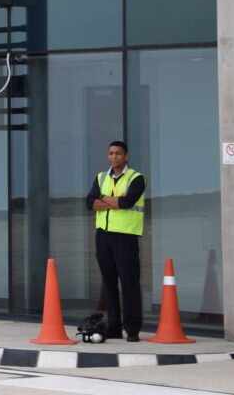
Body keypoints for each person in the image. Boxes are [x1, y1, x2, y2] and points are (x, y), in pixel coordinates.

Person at [86, 139, 146, 341]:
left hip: (125, 236)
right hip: (103, 236)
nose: (114, 157)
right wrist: (114, 202)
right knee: (109, 283)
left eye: (118, 153)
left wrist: (103, 198)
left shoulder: (136, 178)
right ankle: (113, 328)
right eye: (111, 153)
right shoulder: (101, 177)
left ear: (126, 156)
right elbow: (89, 203)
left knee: (129, 284)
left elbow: (127, 202)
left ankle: (132, 329)